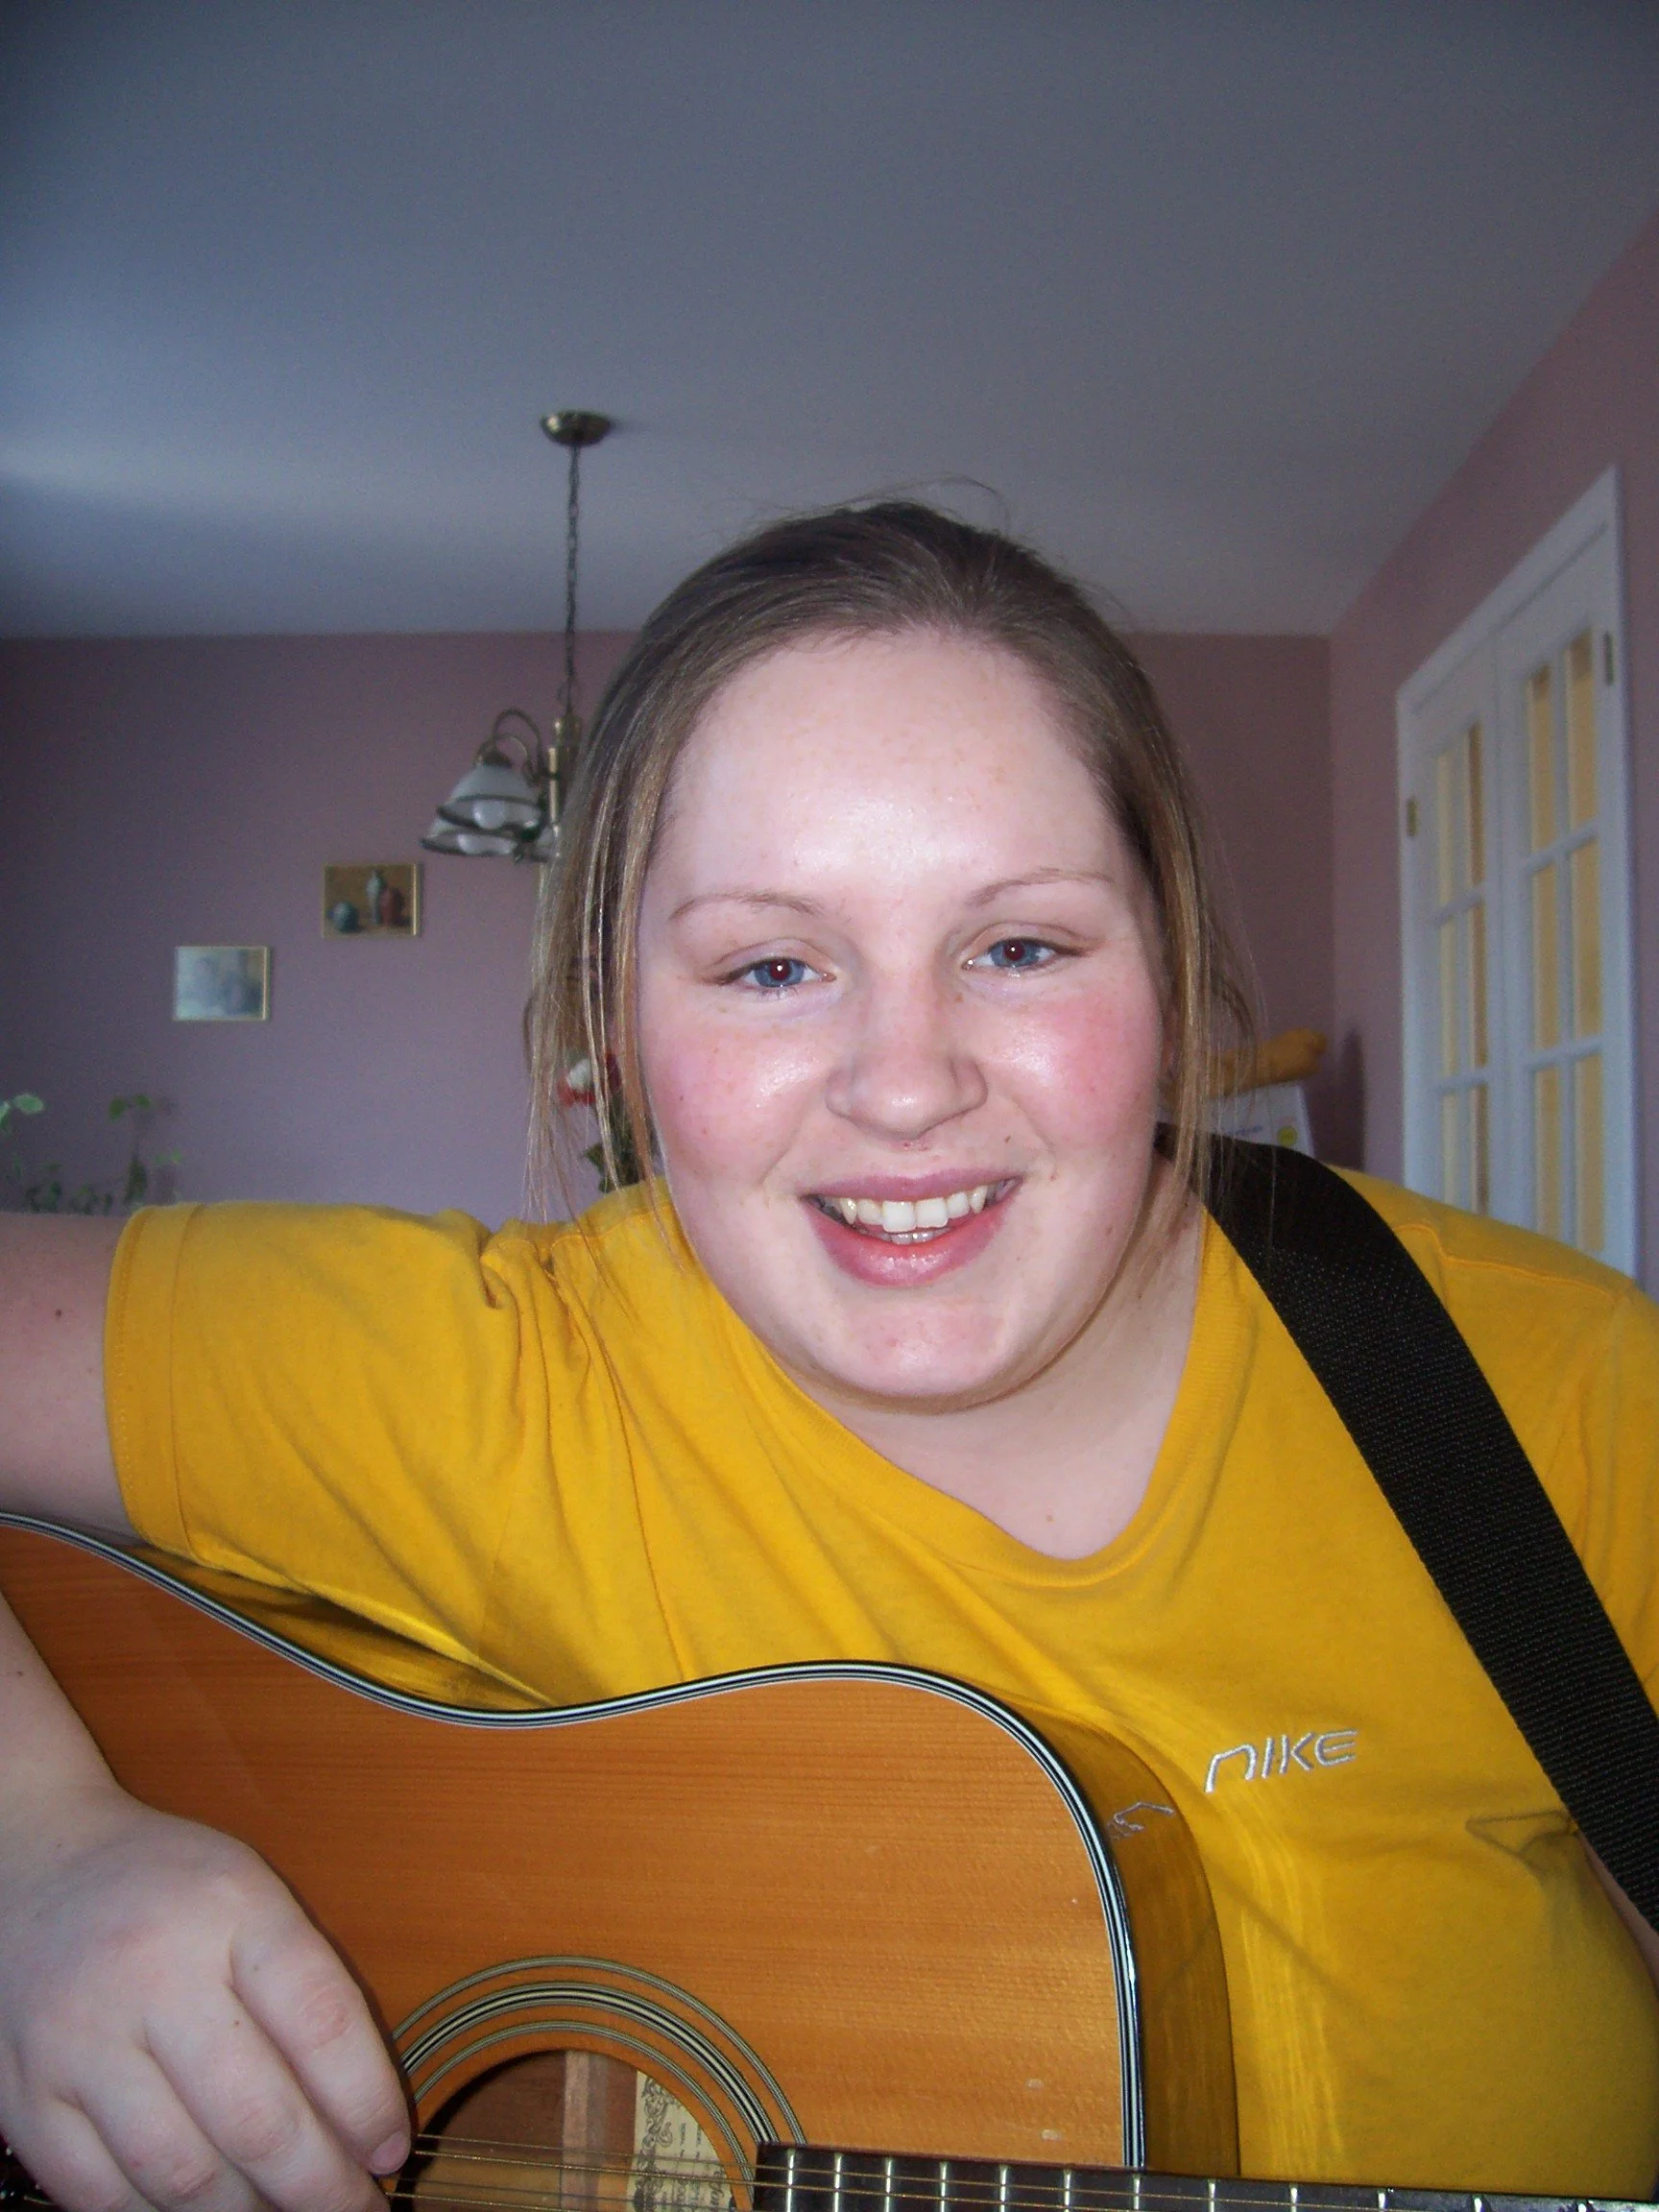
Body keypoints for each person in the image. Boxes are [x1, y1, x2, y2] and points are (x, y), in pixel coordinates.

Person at [2, 504, 1657, 2212]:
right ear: (615, 1026)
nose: (904, 1080)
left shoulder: (1546, 1396)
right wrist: (33, 1855)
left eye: (1017, 947)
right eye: (775, 965)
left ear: (1164, 964)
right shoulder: (514, 1382)